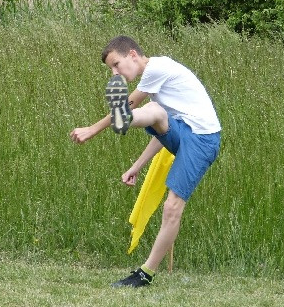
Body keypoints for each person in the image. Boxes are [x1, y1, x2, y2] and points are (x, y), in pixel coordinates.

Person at [70, 35, 221, 287]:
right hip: (183, 131)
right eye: (111, 69)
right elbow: (161, 131)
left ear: (132, 54)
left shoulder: (156, 69)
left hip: (202, 140)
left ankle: (146, 273)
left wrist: (92, 129)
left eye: (116, 65)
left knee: (172, 207)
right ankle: (124, 118)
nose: (114, 73)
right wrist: (136, 167)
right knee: (156, 111)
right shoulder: (158, 81)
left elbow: (132, 101)